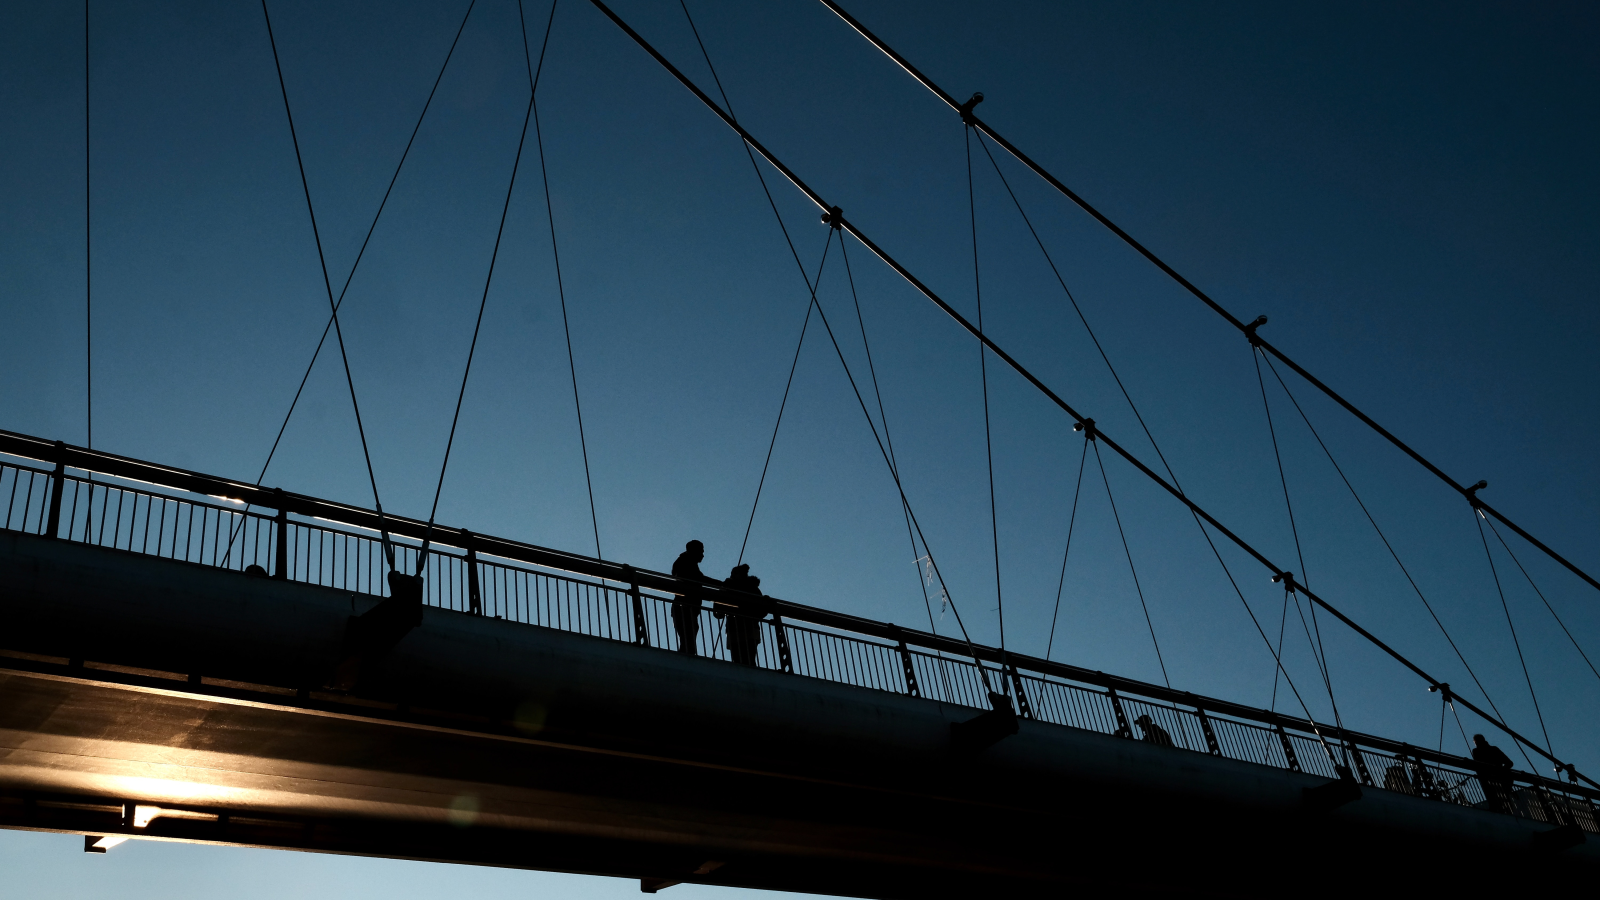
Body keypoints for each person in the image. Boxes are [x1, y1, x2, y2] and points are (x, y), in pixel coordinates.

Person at [719, 564, 770, 668]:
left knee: (740, 661)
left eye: (734, 574)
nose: (731, 576)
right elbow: (762, 611)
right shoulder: (753, 589)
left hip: (739, 630)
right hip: (746, 630)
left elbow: (718, 612)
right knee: (748, 660)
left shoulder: (733, 588)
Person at [670, 540, 713, 656]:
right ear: (694, 550)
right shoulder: (685, 562)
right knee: (688, 637)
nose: (703, 555)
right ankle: (686, 659)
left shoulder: (687, 562)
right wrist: (721, 584)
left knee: (689, 637)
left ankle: (686, 657)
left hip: (686, 607)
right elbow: (699, 579)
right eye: (701, 551)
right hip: (684, 607)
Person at [1472, 733, 1515, 813]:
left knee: (1494, 797)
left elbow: (1478, 765)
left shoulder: (1477, 751)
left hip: (1490, 778)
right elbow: (1509, 763)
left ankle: (1496, 809)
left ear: (1476, 742)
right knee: (1503, 798)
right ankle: (1506, 810)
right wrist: (1501, 770)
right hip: (1500, 778)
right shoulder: (1494, 749)